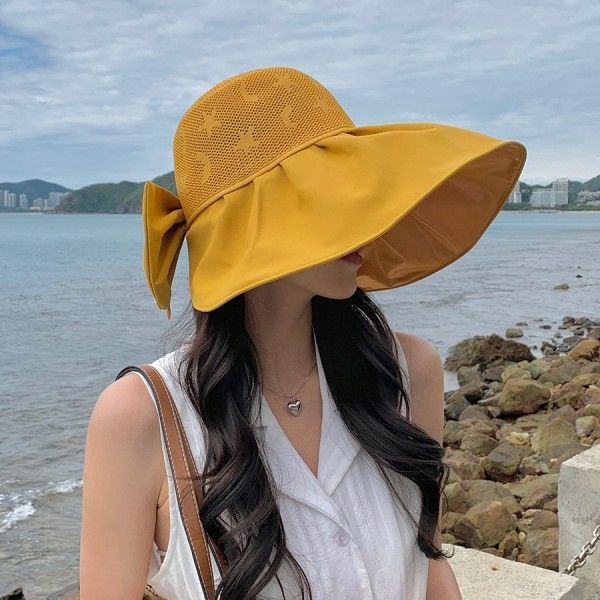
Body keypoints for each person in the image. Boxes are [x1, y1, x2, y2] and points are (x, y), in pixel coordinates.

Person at [79, 66, 527, 599]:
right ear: (252, 225)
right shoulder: (140, 416)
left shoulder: (409, 371)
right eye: (326, 194)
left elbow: (428, 564)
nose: (362, 214)